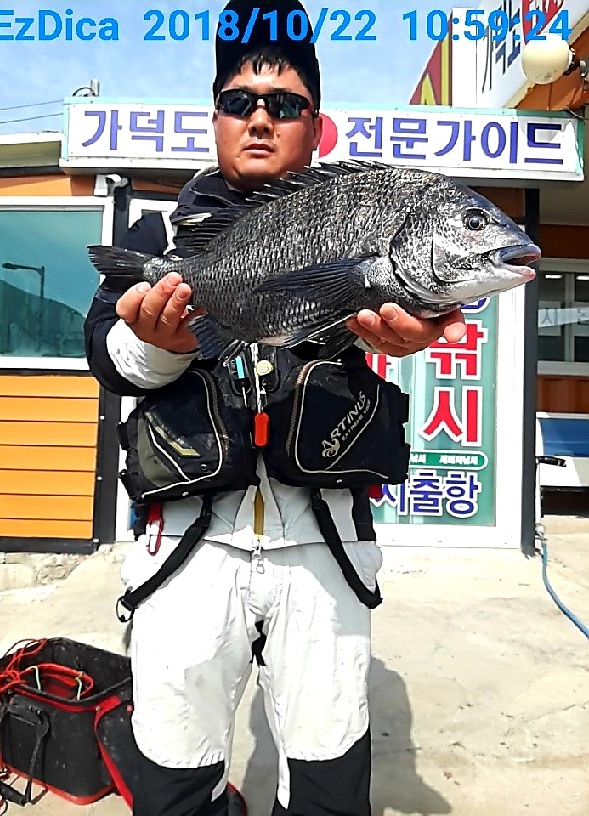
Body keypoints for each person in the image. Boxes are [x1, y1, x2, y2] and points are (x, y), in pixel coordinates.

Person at [84, 2, 467, 814]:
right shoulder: (159, 236)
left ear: (316, 127)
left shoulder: (360, 220)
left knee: (329, 783)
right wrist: (165, 343)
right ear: (216, 117)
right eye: (240, 101)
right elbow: (109, 358)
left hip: (325, 547)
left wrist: (415, 333)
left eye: (286, 104)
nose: (261, 119)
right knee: (172, 779)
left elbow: (415, 317)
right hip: (184, 549)